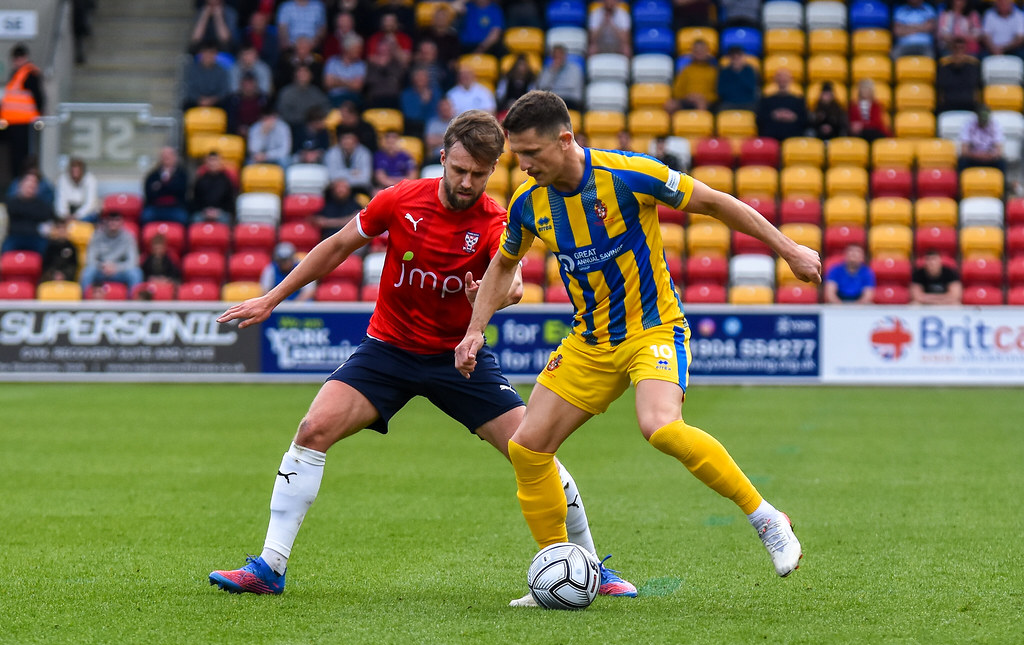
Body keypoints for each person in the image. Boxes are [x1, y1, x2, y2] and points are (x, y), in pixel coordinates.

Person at [208, 109, 637, 603]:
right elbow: (338, 245)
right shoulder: (400, 199)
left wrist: (487, 297)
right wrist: (272, 298)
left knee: (531, 450)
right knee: (312, 429)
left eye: (479, 174)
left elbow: (515, 284)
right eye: (459, 170)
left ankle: (590, 566)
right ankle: (270, 566)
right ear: (443, 157)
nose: (467, 182)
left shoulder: (497, 220)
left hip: (459, 359)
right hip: (388, 350)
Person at [454, 92, 819, 600]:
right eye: (518, 155)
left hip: (653, 329)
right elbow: (504, 265)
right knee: (528, 449)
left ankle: (766, 518)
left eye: (532, 152)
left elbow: (715, 203)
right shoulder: (528, 203)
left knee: (660, 426)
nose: (525, 164)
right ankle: (558, 572)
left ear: (565, 140)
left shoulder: (628, 174)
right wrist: (476, 328)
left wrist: (790, 249)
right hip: (589, 342)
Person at [1, 44, 45, 189]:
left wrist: (38, 116)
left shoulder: (30, 74)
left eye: (18, 58)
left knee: (22, 158)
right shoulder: (16, 74)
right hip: (11, 123)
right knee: (14, 157)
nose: (16, 61)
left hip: (24, 123)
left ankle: (21, 185)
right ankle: (15, 184)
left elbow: (39, 98)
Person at [79, 211, 144, 293]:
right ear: (106, 221)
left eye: (117, 220)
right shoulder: (97, 235)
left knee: (136, 273)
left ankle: (133, 300)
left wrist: (117, 267)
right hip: (101, 270)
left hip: (120, 271)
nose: (113, 223)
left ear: (122, 222)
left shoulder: (128, 237)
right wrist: (102, 266)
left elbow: (133, 261)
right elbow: (90, 258)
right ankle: (85, 299)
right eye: (110, 220)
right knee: (87, 272)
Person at [2, 172, 55, 254]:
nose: (31, 186)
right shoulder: (12, 202)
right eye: (28, 183)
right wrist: (35, 226)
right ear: (21, 185)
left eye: (34, 184)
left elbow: (48, 220)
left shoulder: (43, 205)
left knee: (46, 248)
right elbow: (15, 225)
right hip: (15, 236)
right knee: (6, 250)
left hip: (36, 238)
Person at [275, 64, 331, 140]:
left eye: (305, 73)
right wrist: (305, 120)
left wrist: (318, 121)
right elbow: (283, 113)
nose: (302, 75)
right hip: (293, 127)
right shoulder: (286, 93)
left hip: (315, 126)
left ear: (311, 76)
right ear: (295, 75)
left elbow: (326, 107)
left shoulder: (316, 92)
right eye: (300, 73)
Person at [141, 147, 190, 226]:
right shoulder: (153, 175)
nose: (166, 158)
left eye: (169, 155)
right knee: (146, 216)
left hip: (175, 207)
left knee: (183, 218)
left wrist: (161, 185)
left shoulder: (182, 174)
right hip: (156, 207)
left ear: (175, 157)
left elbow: (181, 191)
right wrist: (166, 185)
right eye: (164, 156)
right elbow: (149, 193)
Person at [756, 69, 809, 142]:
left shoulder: (798, 101)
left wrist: (793, 117)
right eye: (780, 77)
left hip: (793, 137)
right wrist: (774, 115)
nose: (782, 79)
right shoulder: (766, 100)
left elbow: (805, 120)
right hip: (771, 137)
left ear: (791, 80)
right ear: (775, 80)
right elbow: (760, 119)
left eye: (785, 77)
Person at [666, 39, 718, 113]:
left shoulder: (713, 71)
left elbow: (716, 94)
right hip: (687, 99)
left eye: (702, 50)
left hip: (706, 102)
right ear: (692, 53)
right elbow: (677, 91)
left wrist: (702, 97)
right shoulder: (686, 70)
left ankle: (699, 120)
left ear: (707, 52)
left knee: (701, 103)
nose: (699, 53)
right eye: (696, 51)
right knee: (670, 105)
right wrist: (689, 96)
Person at [936, 37, 982, 113]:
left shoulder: (973, 66)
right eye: (956, 48)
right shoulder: (943, 66)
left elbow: (976, 86)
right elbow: (941, 86)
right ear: (951, 49)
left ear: (966, 50)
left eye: (961, 48)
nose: (958, 51)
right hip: (948, 105)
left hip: (969, 105)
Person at [183, 42, 232, 111]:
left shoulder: (222, 71)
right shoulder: (192, 70)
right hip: (196, 101)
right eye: (205, 53)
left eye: (211, 53)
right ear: (201, 54)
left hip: (216, 102)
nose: (208, 56)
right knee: (186, 105)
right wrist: (199, 100)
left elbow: (224, 90)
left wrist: (212, 100)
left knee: (229, 104)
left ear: (215, 55)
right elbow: (189, 88)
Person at [191, 151, 237, 224]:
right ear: (206, 162)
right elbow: (196, 200)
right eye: (210, 160)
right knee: (195, 219)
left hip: (221, 212)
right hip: (203, 212)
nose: (212, 163)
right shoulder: (200, 180)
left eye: (215, 160)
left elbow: (230, 202)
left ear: (220, 162)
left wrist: (218, 211)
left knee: (226, 219)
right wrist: (205, 211)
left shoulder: (226, 181)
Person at [536, 44, 584, 113]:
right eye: (556, 56)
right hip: (552, 100)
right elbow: (541, 86)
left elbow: (570, 86)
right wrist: (553, 72)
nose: (558, 58)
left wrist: (551, 88)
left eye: (560, 55)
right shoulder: (548, 70)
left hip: (570, 100)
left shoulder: (575, 69)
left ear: (565, 56)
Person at [324, 130, 374, 196]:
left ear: (356, 140)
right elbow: (331, 176)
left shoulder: (364, 153)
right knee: (337, 190)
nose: (347, 141)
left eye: (350, 139)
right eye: (345, 138)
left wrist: (343, 180)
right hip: (336, 188)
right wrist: (352, 173)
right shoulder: (332, 153)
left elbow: (365, 179)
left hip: (359, 188)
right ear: (340, 140)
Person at [958, 105, 1006, 174]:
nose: (983, 120)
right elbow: (964, 151)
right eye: (981, 117)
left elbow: (999, 151)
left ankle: (1001, 181)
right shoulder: (968, 125)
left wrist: (988, 156)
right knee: (962, 161)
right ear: (977, 116)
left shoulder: (996, 125)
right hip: (973, 157)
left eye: (985, 118)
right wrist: (977, 155)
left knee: (1002, 162)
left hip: (989, 158)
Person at [322, 34, 366, 107]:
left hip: (353, 98)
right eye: (357, 48)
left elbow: (357, 87)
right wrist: (350, 82)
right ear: (347, 49)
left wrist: (337, 80)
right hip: (334, 98)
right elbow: (328, 83)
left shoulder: (360, 65)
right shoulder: (332, 62)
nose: (360, 51)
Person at [55, 157, 100, 223]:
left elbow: (90, 204)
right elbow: (60, 200)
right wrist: (65, 215)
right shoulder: (63, 179)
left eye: (77, 171)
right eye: (73, 171)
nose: (75, 174)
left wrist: (77, 216)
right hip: (68, 212)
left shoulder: (90, 180)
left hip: (85, 213)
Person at [226, 72, 269, 138]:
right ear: (241, 85)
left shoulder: (264, 99)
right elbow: (230, 120)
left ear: (256, 85)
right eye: (246, 84)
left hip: (260, 132)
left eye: (251, 84)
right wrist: (238, 128)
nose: (248, 87)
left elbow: (268, 117)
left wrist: (255, 130)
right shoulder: (233, 100)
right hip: (238, 134)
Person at [717, 46, 759, 111]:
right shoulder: (724, 72)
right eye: (734, 58)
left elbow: (751, 88)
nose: (736, 60)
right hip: (729, 103)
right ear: (729, 58)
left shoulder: (750, 70)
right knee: (720, 110)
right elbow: (721, 91)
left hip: (748, 103)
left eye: (738, 57)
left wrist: (738, 73)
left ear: (743, 57)